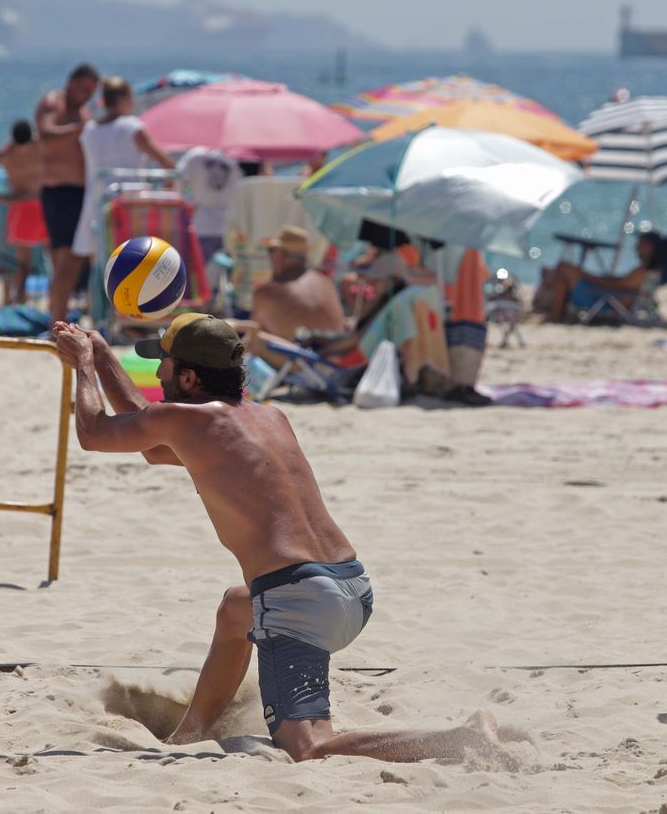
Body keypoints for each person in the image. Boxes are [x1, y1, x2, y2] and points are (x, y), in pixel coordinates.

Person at [49, 314, 511, 762]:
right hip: (351, 587)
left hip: (301, 604)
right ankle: (188, 736)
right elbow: (151, 443)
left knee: (307, 748)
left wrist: (85, 367)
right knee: (237, 608)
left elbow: (93, 433)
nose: (156, 371)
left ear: (188, 378)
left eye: (163, 364)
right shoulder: (269, 417)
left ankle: (457, 740)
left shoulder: (187, 421)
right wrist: (104, 355)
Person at [75, 78, 177, 291]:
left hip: (96, 204)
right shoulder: (132, 127)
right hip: (130, 207)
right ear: (122, 98)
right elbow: (166, 163)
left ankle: (101, 317)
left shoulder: (89, 131)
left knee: (102, 268)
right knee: (135, 267)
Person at [35, 64, 99, 322]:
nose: (86, 95)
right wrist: (81, 129)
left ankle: (59, 317)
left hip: (81, 192)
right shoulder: (54, 103)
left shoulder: (83, 113)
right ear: (71, 83)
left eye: (90, 92)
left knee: (73, 261)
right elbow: (46, 134)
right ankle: (57, 321)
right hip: (59, 190)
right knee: (65, 260)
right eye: (83, 89)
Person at [0, 120, 45, 305]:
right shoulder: (36, 146)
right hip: (34, 204)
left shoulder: (8, 152)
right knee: (26, 263)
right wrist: (2, 199)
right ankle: (23, 305)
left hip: (31, 204)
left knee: (30, 262)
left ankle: (31, 305)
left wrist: (2, 198)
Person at [537, 231, 667, 324]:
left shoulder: (644, 271)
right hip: (606, 296)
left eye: (641, 244)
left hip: (607, 300)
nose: (636, 247)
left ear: (651, 247)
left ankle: (555, 315)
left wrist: (585, 275)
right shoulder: (648, 270)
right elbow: (620, 283)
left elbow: (617, 285)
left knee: (563, 270)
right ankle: (555, 314)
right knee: (561, 274)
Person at [246, 226, 345, 341]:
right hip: (329, 353)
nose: (269, 256)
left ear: (280, 255)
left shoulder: (267, 292)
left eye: (271, 251)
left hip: (293, 355)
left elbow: (252, 337)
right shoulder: (326, 282)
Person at [177, 146, 241, 260]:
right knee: (229, 272)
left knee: (200, 273)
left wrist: (188, 202)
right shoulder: (236, 156)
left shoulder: (195, 155)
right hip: (230, 225)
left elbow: (178, 180)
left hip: (202, 224)